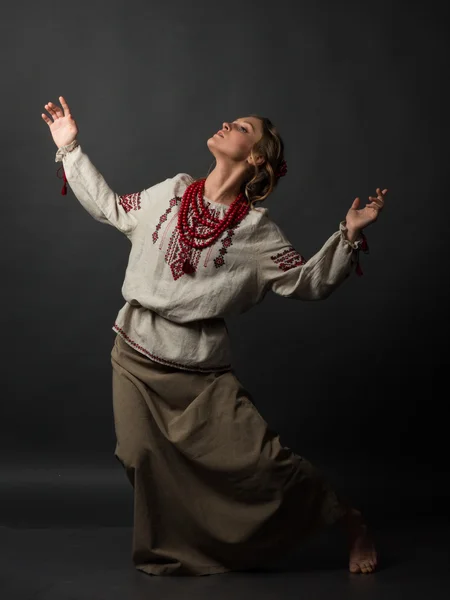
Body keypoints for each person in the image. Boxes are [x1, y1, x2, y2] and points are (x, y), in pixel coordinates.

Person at [42, 96, 387, 577]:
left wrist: (347, 236)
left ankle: (345, 518)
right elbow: (111, 208)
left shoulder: (255, 230)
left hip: (200, 374)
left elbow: (304, 282)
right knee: (140, 456)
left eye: (242, 126)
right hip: (135, 354)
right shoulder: (171, 192)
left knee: (265, 464)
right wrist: (70, 148)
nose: (228, 123)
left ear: (256, 158)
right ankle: (185, 545)